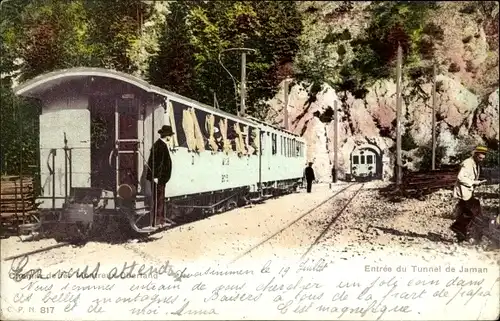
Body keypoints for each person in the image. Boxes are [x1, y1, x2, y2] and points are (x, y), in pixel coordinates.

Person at [449, 146, 488, 243]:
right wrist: (474, 182)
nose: (481, 160)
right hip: (463, 191)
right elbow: (460, 177)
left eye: (483, 158)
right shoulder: (467, 163)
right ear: (475, 155)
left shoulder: (475, 163)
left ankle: (464, 233)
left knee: (471, 209)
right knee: (470, 211)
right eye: (480, 158)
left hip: (468, 191)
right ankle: (458, 228)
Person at [146, 125, 175, 227]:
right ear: (167, 136)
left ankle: (160, 221)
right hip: (158, 179)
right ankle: (157, 222)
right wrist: (156, 176)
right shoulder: (160, 145)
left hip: (160, 178)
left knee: (160, 199)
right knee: (158, 200)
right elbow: (156, 162)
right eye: (170, 136)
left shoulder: (160, 145)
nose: (170, 138)